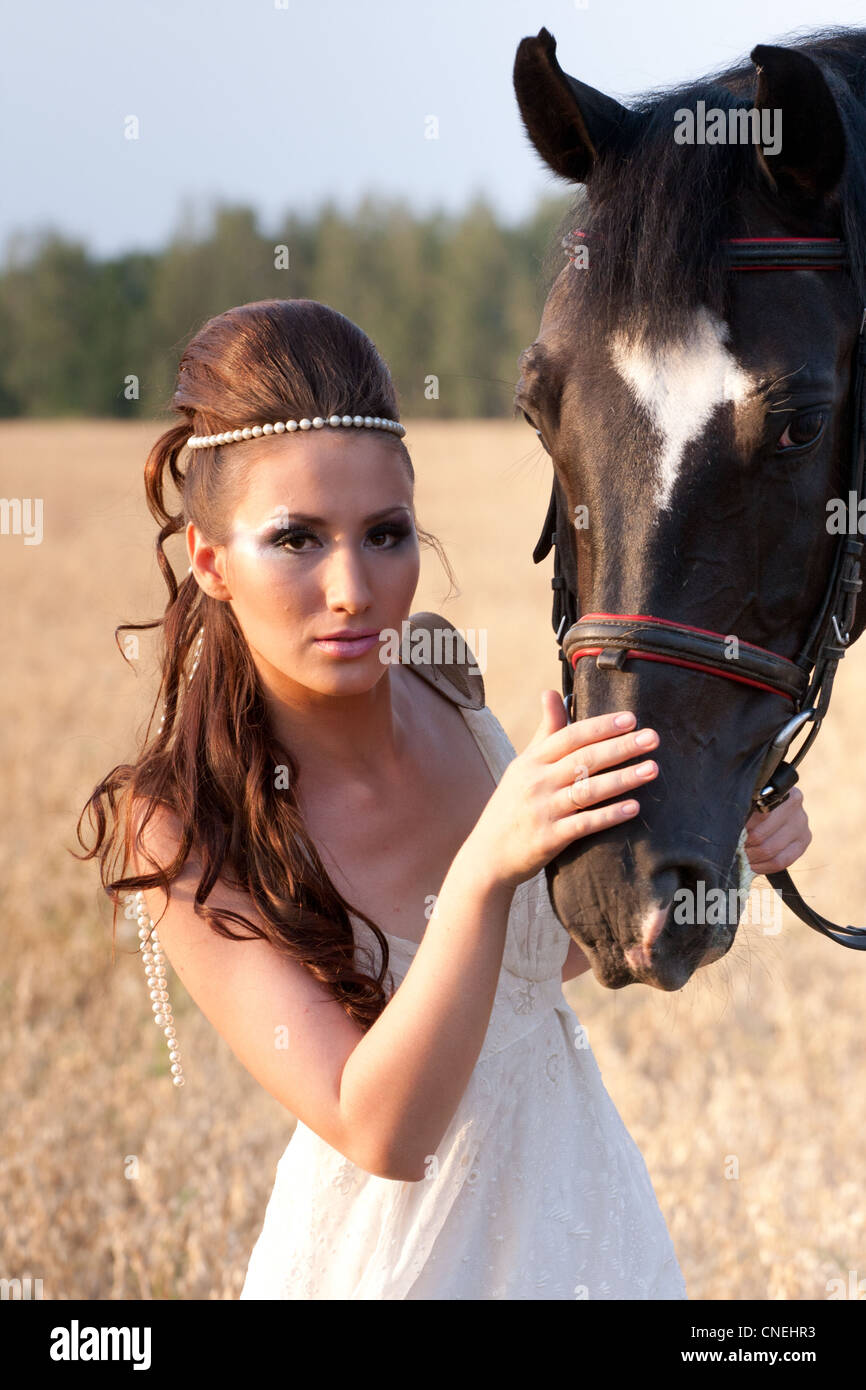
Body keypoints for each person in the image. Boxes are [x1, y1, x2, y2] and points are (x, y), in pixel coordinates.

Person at [76, 297, 811, 1300]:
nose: (352, 588)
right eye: (295, 539)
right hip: (396, 1265)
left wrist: (728, 837)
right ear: (209, 560)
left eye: (384, 534)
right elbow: (382, 1130)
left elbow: (537, 961)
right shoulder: (180, 821)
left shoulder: (437, 672)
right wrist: (486, 862)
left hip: (582, 1222)